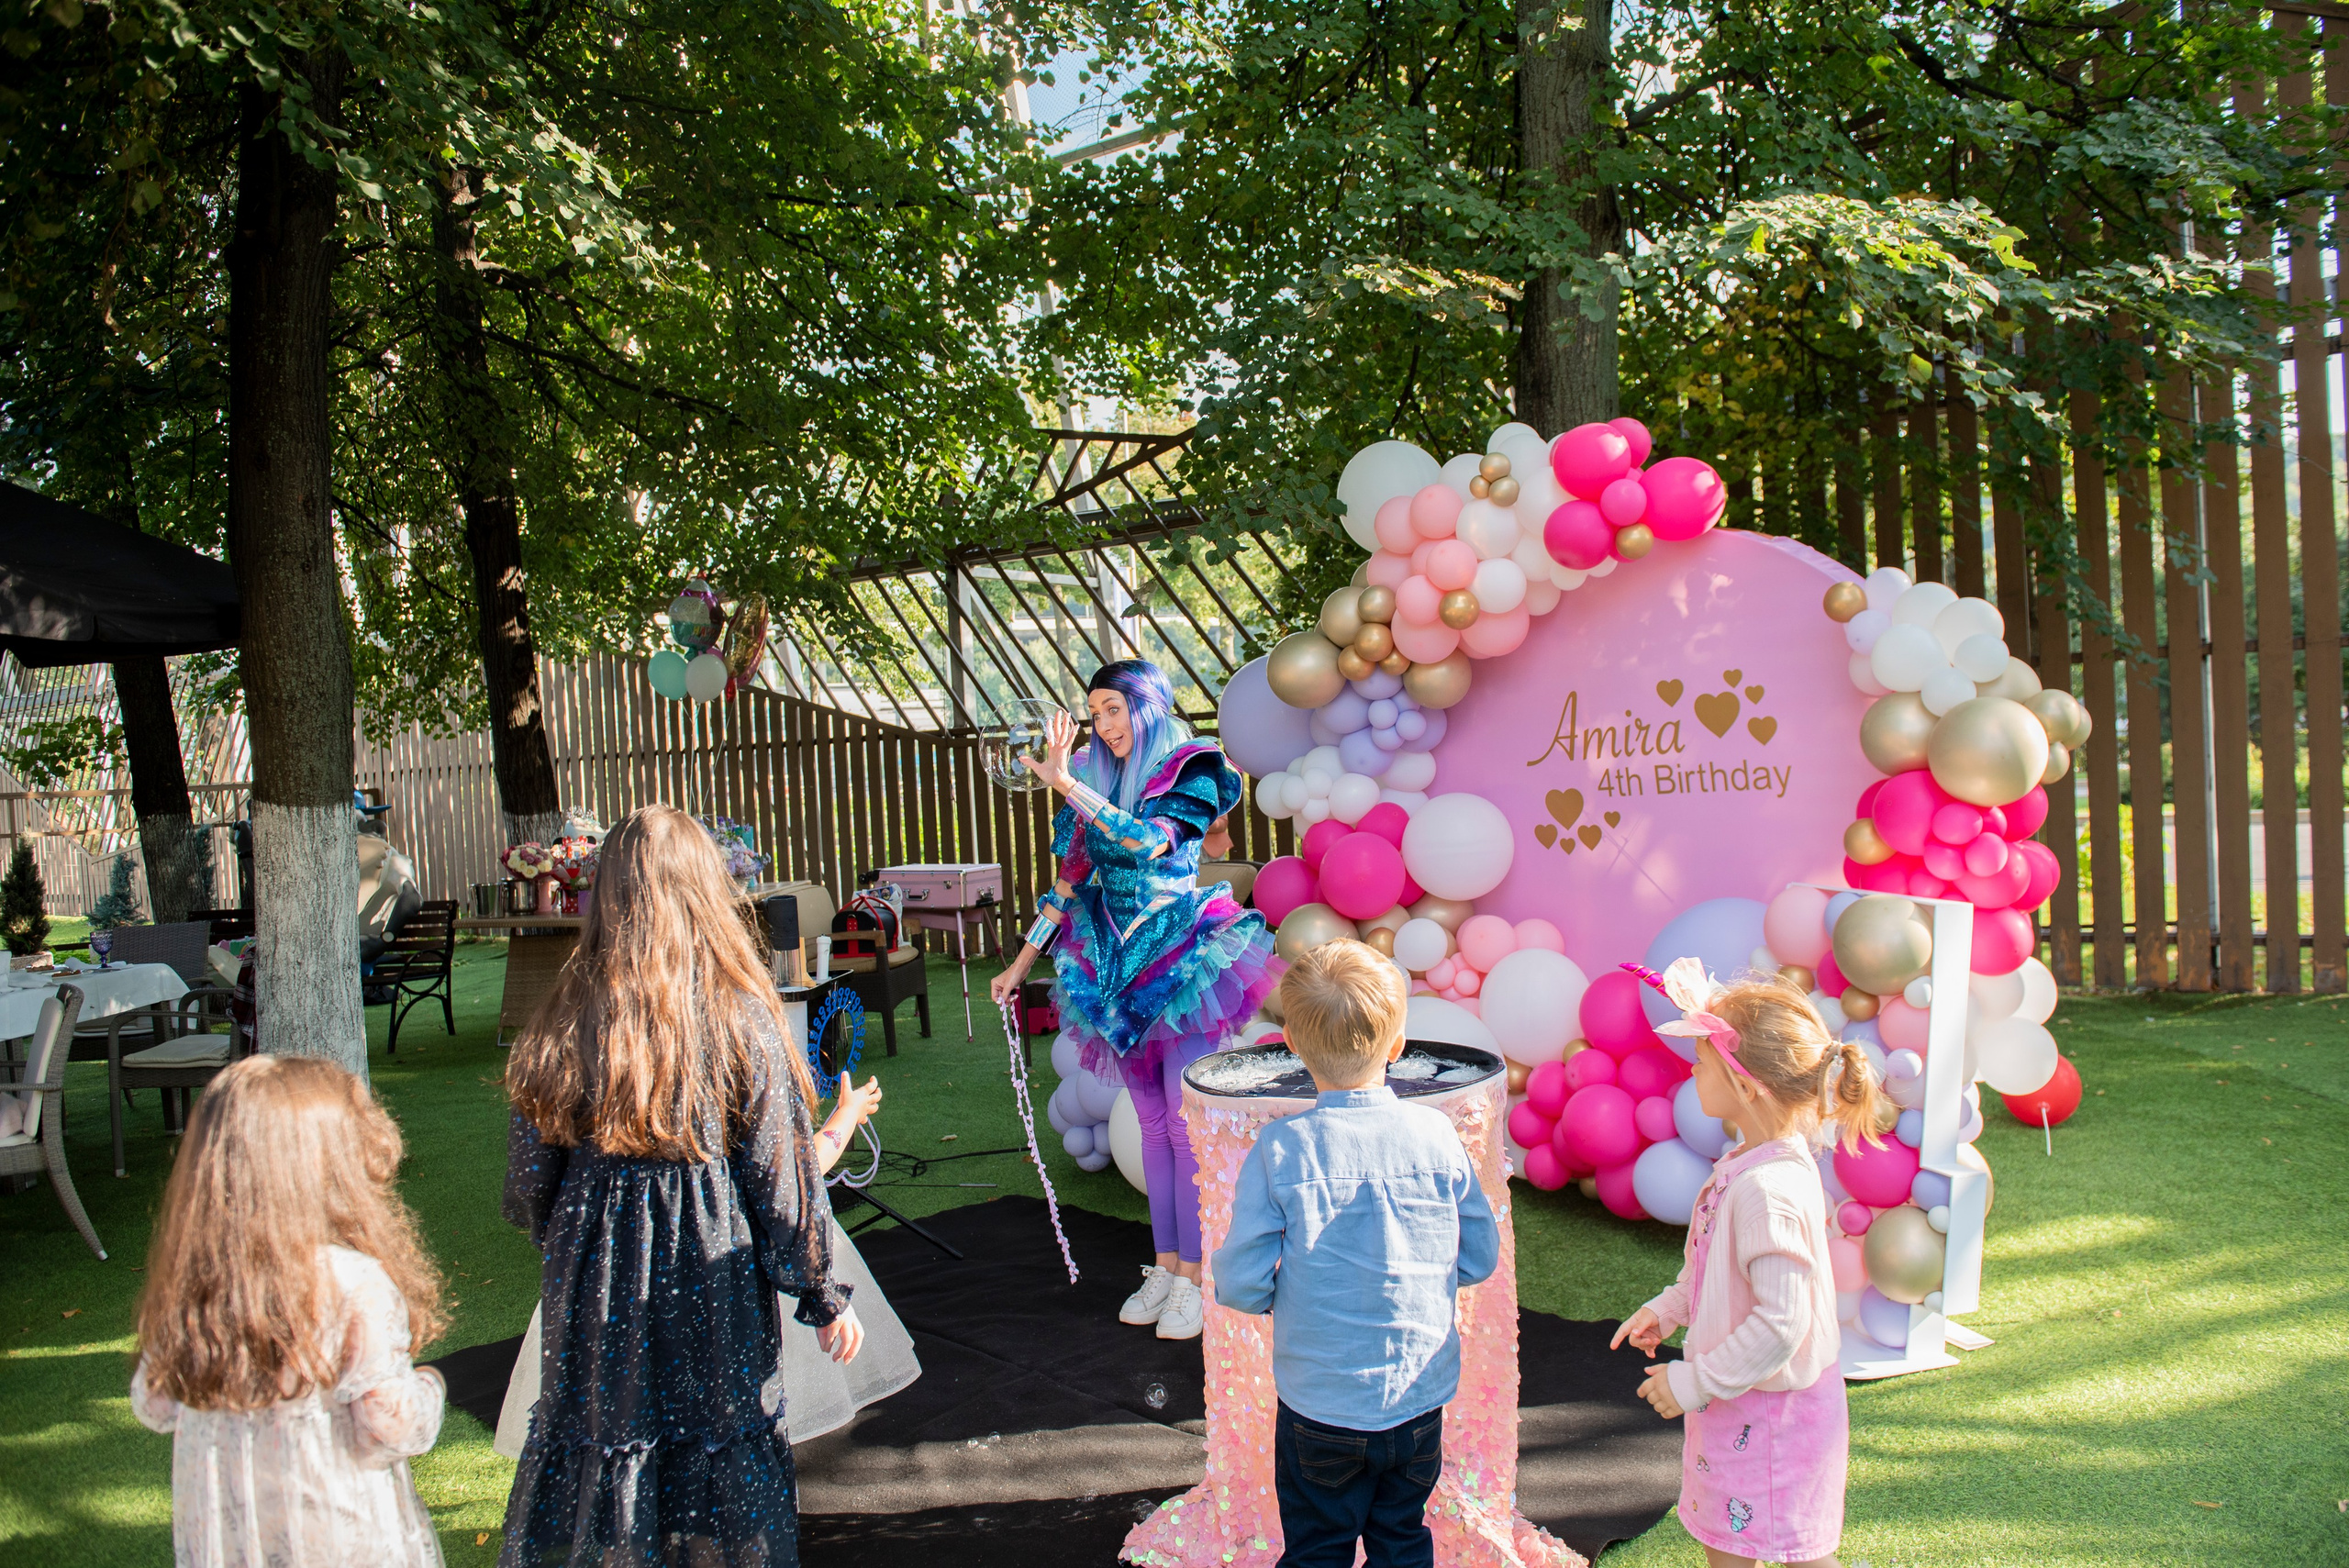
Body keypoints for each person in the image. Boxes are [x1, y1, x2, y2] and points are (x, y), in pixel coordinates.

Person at [498, 803, 861, 1568]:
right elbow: (779, 1177)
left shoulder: (564, 1015)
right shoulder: (742, 1018)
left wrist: (573, 1239)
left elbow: (532, 1180)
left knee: (608, 1438)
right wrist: (820, 1290)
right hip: (709, 1267)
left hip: (596, 1275)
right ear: (704, 890)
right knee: (715, 1456)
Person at [987, 660, 1275, 1341]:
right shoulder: (1095, 780)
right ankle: (1169, 1267)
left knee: (1183, 1126)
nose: (1104, 726)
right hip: (1114, 968)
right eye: (1094, 714)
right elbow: (1066, 889)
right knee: (1150, 1127)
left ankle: (1202, 1277)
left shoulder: (1194, 767)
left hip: (1182, 961)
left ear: (1145, 706)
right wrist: (1019, 963)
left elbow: (1148, 844)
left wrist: (1066, 784)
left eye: (1114, 709)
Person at [1212, 940, 1499, 1568]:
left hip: (1321, 1404)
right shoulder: (1437, 1135)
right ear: (1397, 1045)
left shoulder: (1281, 1149)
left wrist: (1293, 1298)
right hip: (1417, 1399)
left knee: (1318, 1547)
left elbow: (1238, 1283)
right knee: (1402, 1539)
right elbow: (1478, 1258)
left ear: (1290, 1041)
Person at [489, 1065, 919, 1456]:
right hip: (720, 1279)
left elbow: (530, 1193)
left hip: (611, 1281)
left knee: (626, 1412)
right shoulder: (732, 1061)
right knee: (720, 1420)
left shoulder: (572, 1058)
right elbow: (792, 1179)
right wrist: (846, 1115)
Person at [129, 1054, 450, 1568]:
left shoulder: (201, 1283)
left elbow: (155, 1406)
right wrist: (429, 1390)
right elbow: (387, 1427)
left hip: (228, 1535)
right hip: (333, 1532)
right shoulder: (351, 1281)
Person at [1609, 961, 1877, 1568]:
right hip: (1738, 1398)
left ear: (1745, 1084)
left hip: (1774, 1415)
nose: (1693, 1071)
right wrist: (1669, 1307)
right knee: (1727, 1540)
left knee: (1794, 1552)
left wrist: (1691, 1383)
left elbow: (1780, 1323)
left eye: (1703, 1063)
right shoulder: (1747, 1160)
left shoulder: (1768, 1189)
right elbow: (1712, 1268)